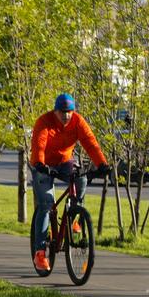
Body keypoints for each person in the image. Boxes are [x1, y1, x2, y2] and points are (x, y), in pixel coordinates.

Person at [29, 93, 110, 271]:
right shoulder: (44, 122)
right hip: (42, 164)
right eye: (62, 112)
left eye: (69, 112)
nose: (66, 116)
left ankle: (75, 216)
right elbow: (39, 145)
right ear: (55, 111)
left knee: (80, 178)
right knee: (46, 204)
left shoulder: (78, 121)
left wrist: (102, 164)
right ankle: (40, 253)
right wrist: (40, 164)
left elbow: (90, 143)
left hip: (65, 161)